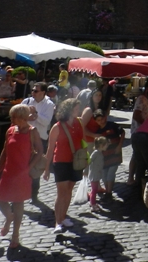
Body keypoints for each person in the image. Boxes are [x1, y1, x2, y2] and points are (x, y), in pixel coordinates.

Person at [0, 103, 43, 249]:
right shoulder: (10, 130)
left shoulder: (32, 132)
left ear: (21, 118)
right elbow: (4, 152)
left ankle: (15, 235)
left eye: (14, 117)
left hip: (22, 172)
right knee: (1, 199)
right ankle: (9, 217)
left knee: (18, 203)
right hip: (9, 171)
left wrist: (29, 167)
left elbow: (40, 151)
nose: (11, 119)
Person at [43, 98, 84, 234]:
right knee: (61, 193)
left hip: (76, 161)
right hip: (61, 161)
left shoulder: (78, 122)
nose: (78, 111)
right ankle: (58, 222)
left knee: (69, 191)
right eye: (76, 109)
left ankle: (63, 216)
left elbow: (82, 141)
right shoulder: (57, 127)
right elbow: (50, 149)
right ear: (68, 110)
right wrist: (46, 168)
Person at [22, 81, 56, 201]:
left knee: (35, 167)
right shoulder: (26, 101)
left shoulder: (49, 104)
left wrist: (35, 114)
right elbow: (19, 117)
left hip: (40, 139)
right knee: (22, 165)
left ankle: (34, 194)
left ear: (43, 92)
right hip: (25, 137)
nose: (33, 93)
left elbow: (46, 122)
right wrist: (29, 117)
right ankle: (21, 192)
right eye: (32, 90)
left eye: (36, 91)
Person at [128, 80, 148, 185]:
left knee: (136, 157)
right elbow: (136, 115)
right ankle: (132, 179)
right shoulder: (142, 99)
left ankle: (133, 180)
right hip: (139, 132)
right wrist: (145, 125)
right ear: (147, 88)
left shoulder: (146, 99)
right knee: (137, 158)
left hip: (141, 132)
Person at [93, 113, 124, 199]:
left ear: (105, 117)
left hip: (115, 155)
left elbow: (122, 132)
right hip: (104, 157)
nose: (101, 122)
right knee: (104, 175)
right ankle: (107, 191)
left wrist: (119, 146)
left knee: (111, 174)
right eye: (98, 120)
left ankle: (109, 193)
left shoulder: (112, 125)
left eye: (102, 119)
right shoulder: (98, 132)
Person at [88, 136, 110, 213]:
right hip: (94, 175)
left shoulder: (99, 153)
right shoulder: (96, 153)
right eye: (106, 145)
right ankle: (93, 204)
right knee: (94, 190)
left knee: (93, 189)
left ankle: (92, 201)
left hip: (96, 174)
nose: (107, 146)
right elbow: (89, 161)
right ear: (101, 145)